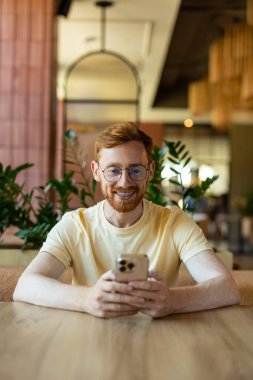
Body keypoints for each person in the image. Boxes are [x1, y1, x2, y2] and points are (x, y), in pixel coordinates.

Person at [13, 122, 240, 318]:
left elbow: (228, 289)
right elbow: (25, 286)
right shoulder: (75, 225)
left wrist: (173, 301)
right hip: (85, 345)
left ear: (150, 171)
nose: (124, 182)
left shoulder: (174, 222)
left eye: (135, 170)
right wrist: (87, 299)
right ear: (96, 171)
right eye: (113, 170)